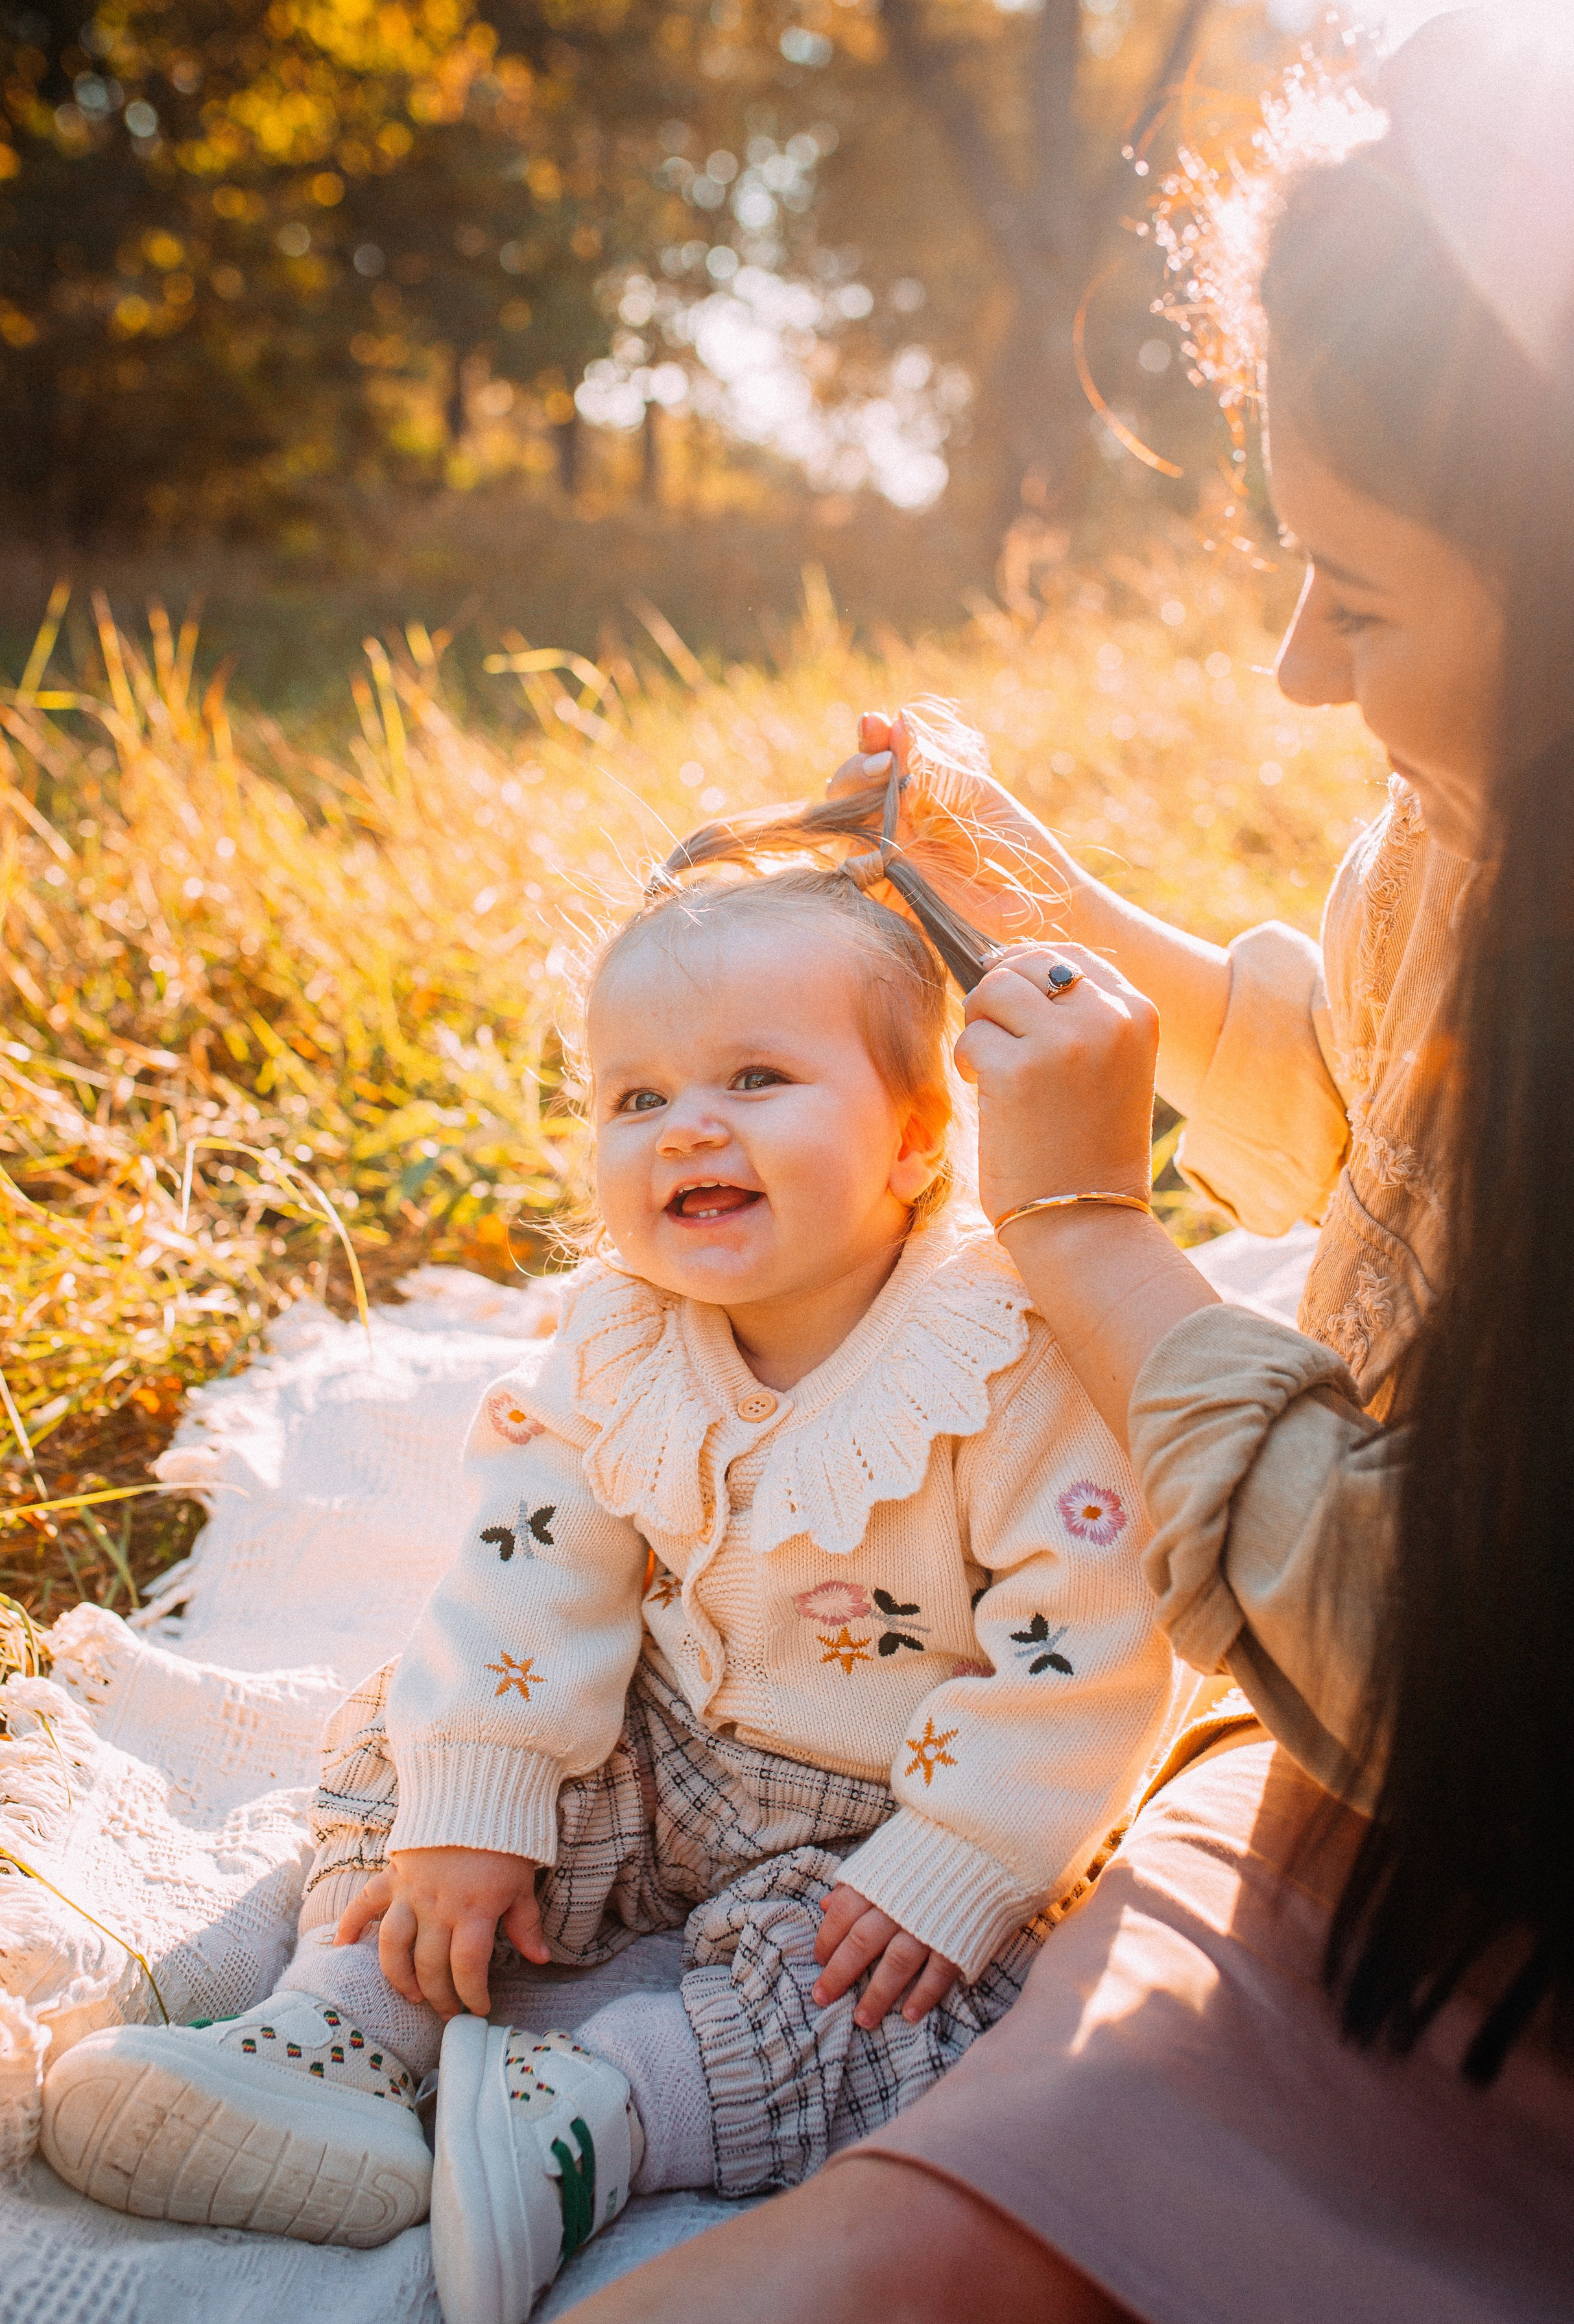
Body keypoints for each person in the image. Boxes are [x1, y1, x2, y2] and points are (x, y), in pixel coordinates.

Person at [553, 11, 1574, 2321]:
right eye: (1290, 565)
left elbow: (1446, 1663)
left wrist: (1091, 1234)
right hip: (1366, 1783)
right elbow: (1366, 1124)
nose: (1297, 672)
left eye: (1364, 600)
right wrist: (1039, 901)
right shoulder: (1468, 826)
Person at [36, 800, 1180, 2324]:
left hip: (885, 1811)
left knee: (922, 1998)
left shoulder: (1003, 1353)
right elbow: (525, 1573)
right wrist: (481, 1797)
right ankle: (342, 2023)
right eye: (635, 1097)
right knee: (421, 1732)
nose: (686, 1127)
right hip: (660, 1742)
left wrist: (961, 1855)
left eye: (755, 1079)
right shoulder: (615, 1340)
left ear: (916, 1140)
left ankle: (598, 2108)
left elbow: (1088, 1633)